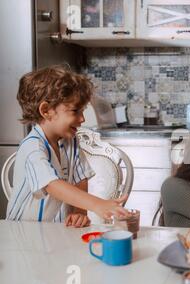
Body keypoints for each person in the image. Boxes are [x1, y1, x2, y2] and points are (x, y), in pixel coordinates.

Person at [6, 65, 128, 227]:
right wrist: (97, 204)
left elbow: (80, 179)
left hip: (54, 231)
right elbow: (52, 185)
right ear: (46, 110)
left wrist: (79, 212)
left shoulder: (71, 141)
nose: (82, 119)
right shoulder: (32, 147)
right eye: (75, 111)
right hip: (22, 233)